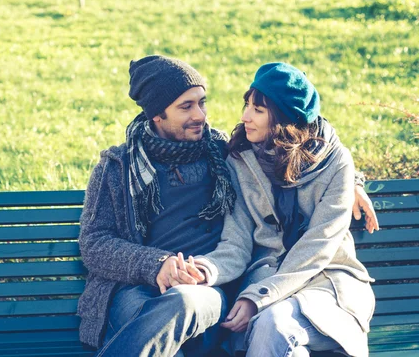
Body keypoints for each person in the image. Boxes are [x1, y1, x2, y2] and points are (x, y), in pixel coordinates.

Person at [78, 56, 378, 357]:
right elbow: (93, 243)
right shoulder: (117, 167)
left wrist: (353, 182)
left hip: (203, 288)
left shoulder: (221, 151)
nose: (200, 115)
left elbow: (297, 144)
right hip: (136, 289)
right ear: (157, 114)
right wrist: (156, 265)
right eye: (186, 107)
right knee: (159, 327)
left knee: (185, 302)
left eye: (202, 102)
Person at [194, 62, 376, 356]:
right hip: (267, 280)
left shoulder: (335, 162)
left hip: (327, 283)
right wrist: (207, 270)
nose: (245, 117)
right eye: (247, 105)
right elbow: (236, 239)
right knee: (277, 330)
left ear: (283, 119)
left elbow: (319, 244)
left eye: (258, 110)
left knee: (274, 323)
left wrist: (258, 298)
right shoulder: (239, 161)